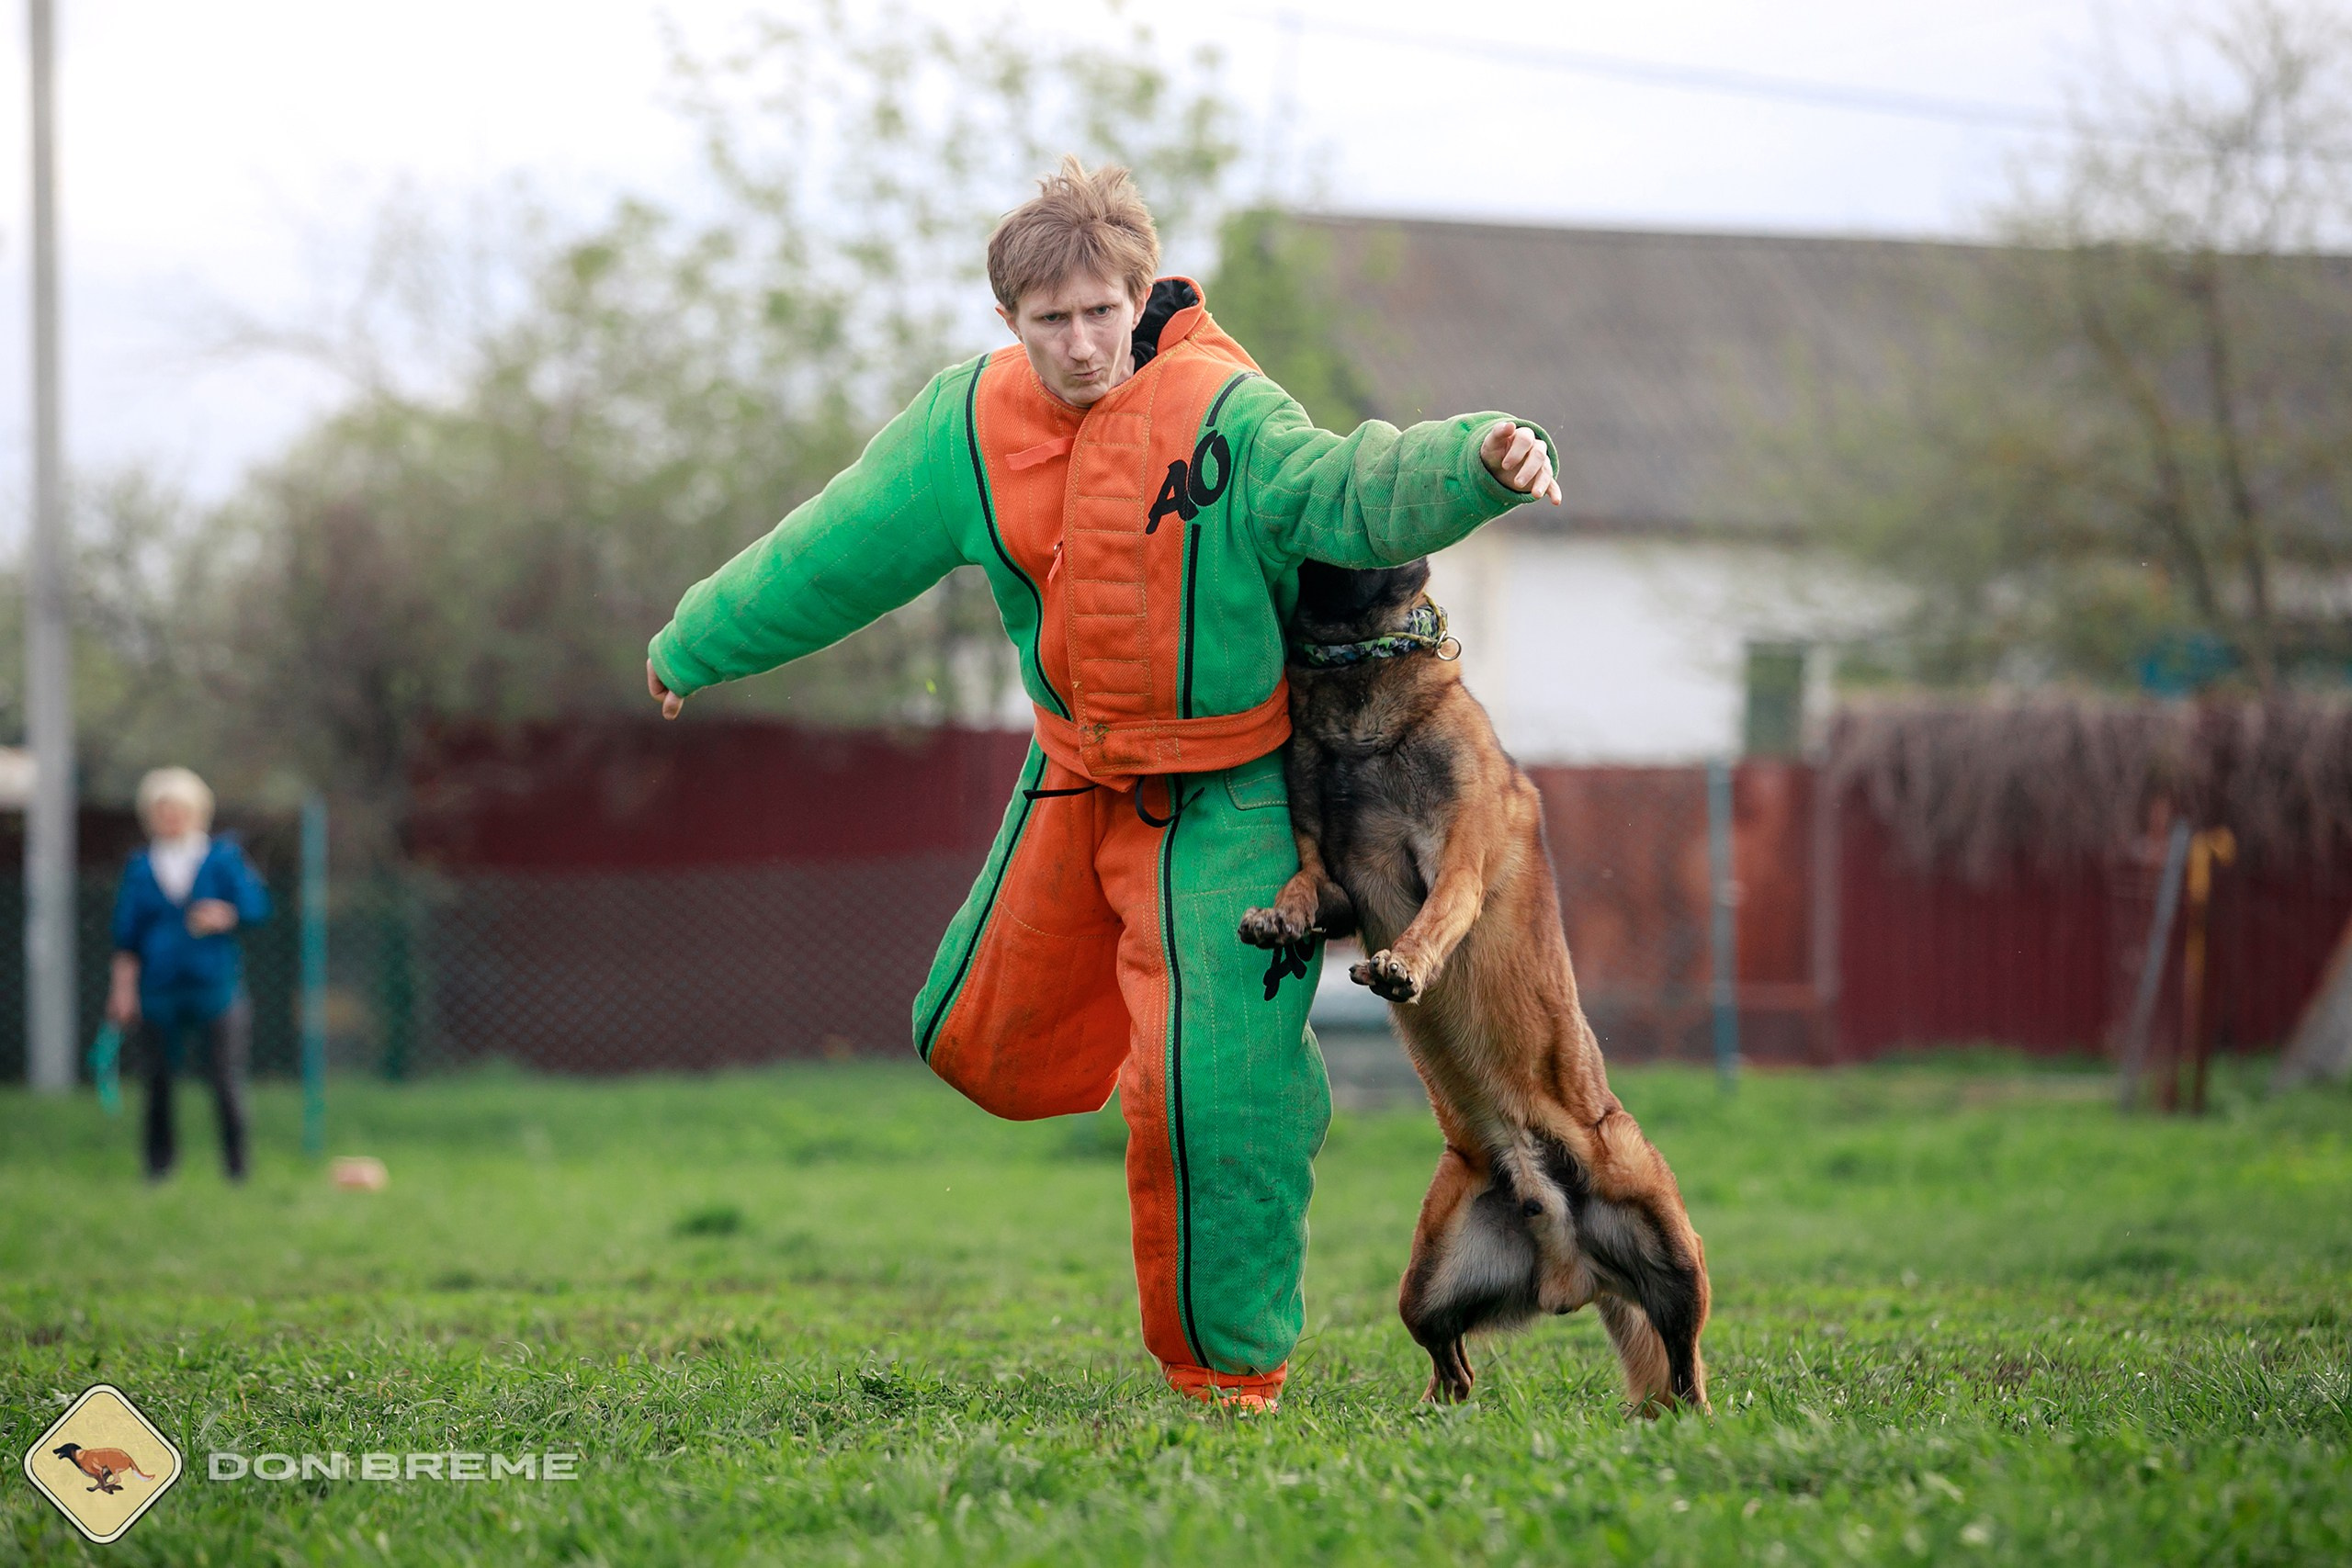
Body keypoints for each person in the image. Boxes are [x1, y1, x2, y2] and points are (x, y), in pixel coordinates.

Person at [646, 157, 1561, 1409]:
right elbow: (836, 543)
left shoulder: (1229, 413)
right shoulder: (965, 426)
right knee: (976, 1042)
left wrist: (1482, 457)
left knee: (1214, 1090)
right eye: (1049, 320)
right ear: (1010, 321)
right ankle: (1145, 1023)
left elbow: (1353, 483)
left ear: (1141, 294)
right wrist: (695, 639)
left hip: (1234, 797)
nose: (1081, 344)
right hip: (1074, 778)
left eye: (1100, 312)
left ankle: (1229, 1371)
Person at [106, 767, 273, 1181]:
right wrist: (123, 991)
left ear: (198, 811)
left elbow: (256, 907)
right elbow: (126, 937)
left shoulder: (222, 859)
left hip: (214, 985)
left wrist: (226, 914)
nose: (172, 816)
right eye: (163, 809)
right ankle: (158, 1169)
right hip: (159, 988)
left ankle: (238, 1170)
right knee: (157, 1081)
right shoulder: (142, 867)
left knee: (224, 1080)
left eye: (179, 808)